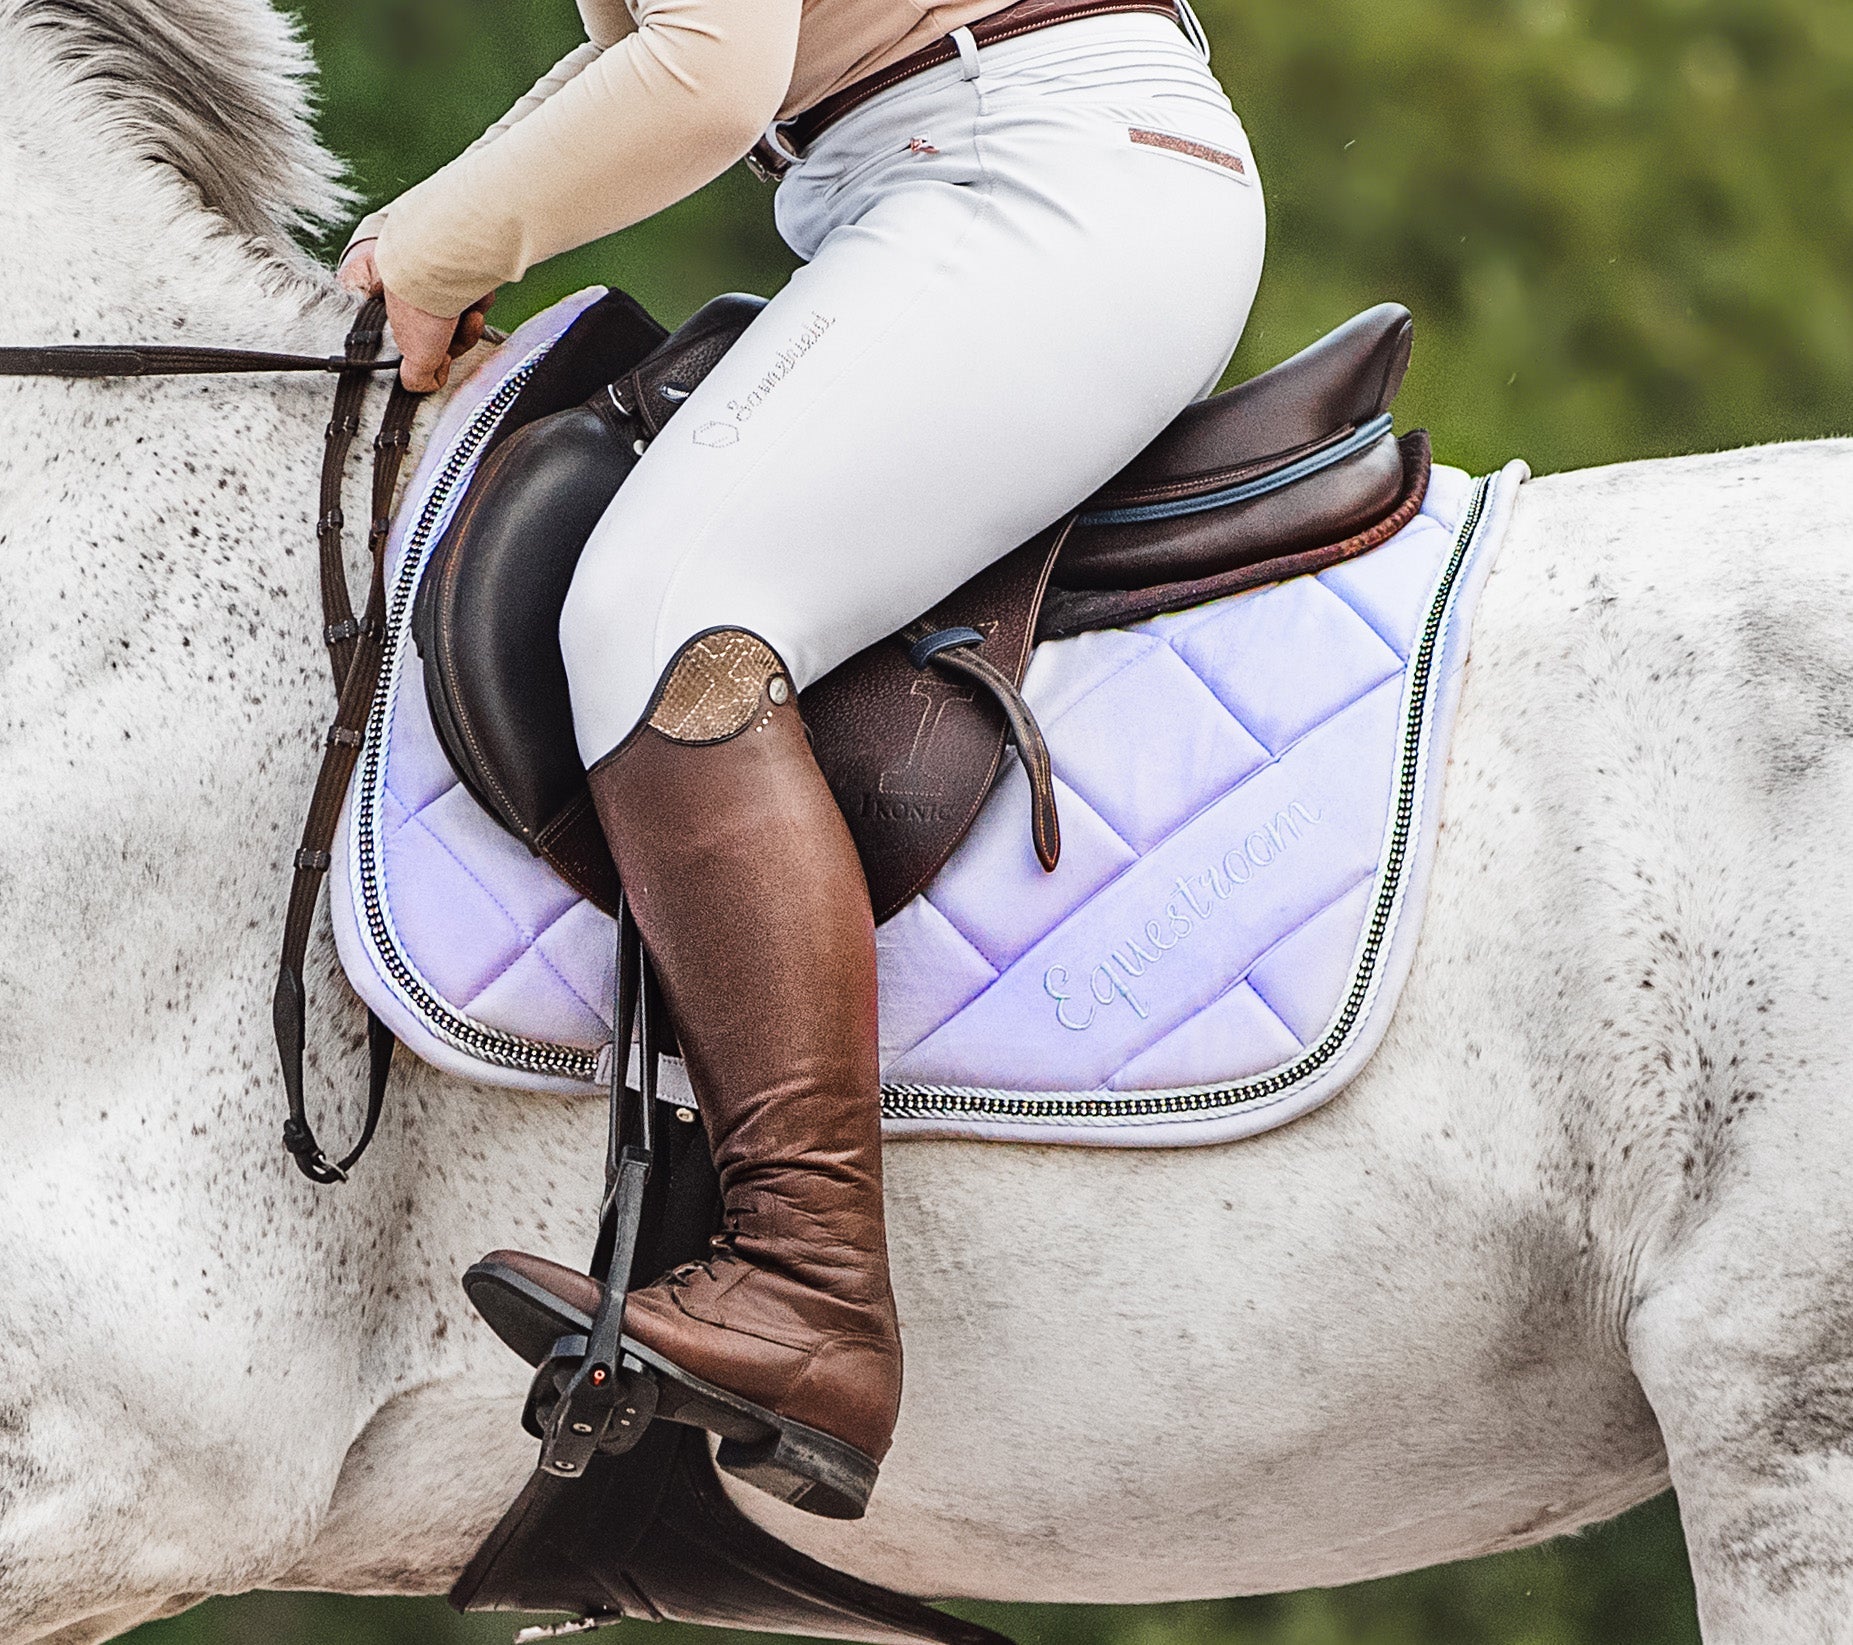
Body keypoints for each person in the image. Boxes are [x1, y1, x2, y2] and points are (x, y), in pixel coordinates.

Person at [340, 0, 1265, 1515]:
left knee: (662, 618)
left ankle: (805, 1278)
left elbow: (709, 75)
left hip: (1016, 175)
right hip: (944, 176)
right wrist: (431, 225)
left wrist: (446, 247)